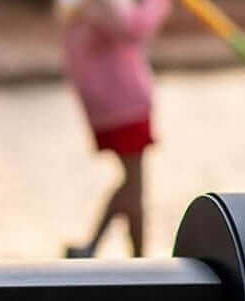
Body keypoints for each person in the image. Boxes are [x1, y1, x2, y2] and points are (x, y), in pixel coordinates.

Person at [59, 0, 172, 258]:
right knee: (135, 184)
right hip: (123, 102)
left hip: (108, 102)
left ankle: (101, 248)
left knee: (132, 183)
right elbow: (135, 29)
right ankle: (135, 258)